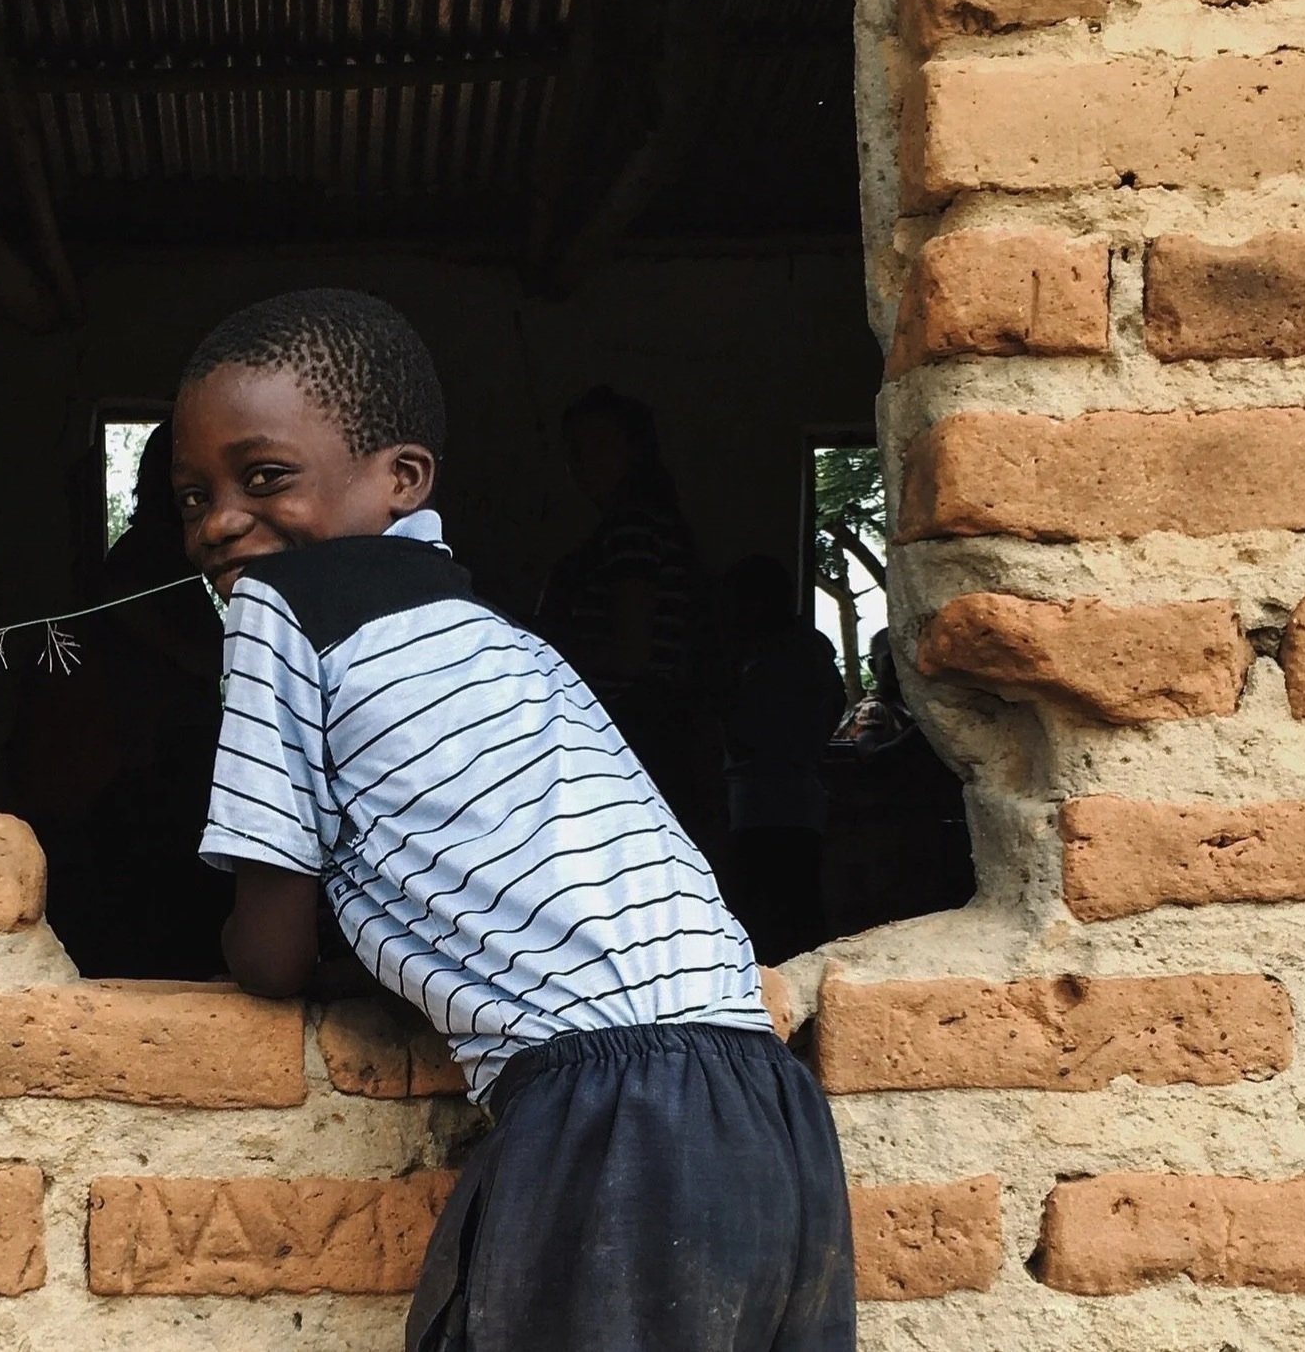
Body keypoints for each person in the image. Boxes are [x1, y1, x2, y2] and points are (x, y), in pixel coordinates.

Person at [170, 288, 855, 1352]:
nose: (218, 519)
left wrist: (264, 950)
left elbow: (268, 949)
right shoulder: (513, 645)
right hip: (766, 1107)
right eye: (189, 495)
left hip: (613, 1124)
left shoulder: (281, 604)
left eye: (264, 477)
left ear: (401, 479)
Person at [8, 423, 233, 980]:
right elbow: (185, 650)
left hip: (147, 763)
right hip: (141, 764)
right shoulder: (146, 557)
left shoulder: (155, 556)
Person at [533, 386, 720, 850]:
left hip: (635, 735)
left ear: (634, 453)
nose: (583, 464)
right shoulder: (657, 526)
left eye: (599, 448)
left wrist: (548, 653)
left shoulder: (632, 530)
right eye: (575, 451)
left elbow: (630, 651)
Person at [718, 555, 848, 965]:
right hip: (793, 795)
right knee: (793, 906)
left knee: (766, 910)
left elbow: (746, 724)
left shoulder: (770, 655)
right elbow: (835, 702)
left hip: (766, 796)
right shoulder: (808, 650)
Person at [820, 629, 976, 937]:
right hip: (881, 826)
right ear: (874, 666)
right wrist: (916, 739)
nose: (897, 667)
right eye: (889, 660)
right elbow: (868, 755)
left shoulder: (913, 710)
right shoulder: (876, 709)